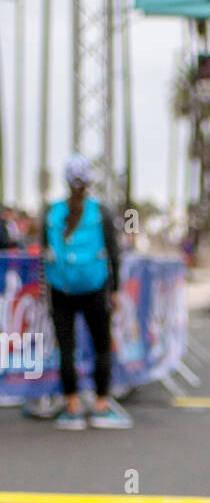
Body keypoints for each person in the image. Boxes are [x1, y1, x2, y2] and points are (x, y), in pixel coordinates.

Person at [41, 155, 132, 429]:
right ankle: (101, 406)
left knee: (66, 348)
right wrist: (114, 289)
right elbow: (113, 253)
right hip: (94, 288)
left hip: (61, 290)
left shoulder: (51, 211)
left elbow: (43, 254)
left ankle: (72, 407)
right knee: (101, 346)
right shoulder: (100, 211)